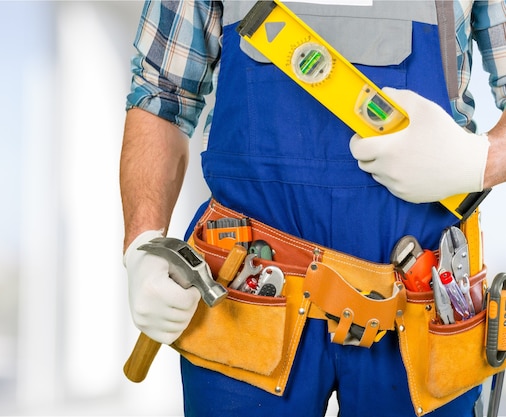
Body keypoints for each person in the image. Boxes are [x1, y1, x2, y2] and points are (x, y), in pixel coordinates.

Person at [119, 1, 506, 416]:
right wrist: (143, 242)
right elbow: (161, 96)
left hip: (421, 304)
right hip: (246, 300)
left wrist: (480, 161)